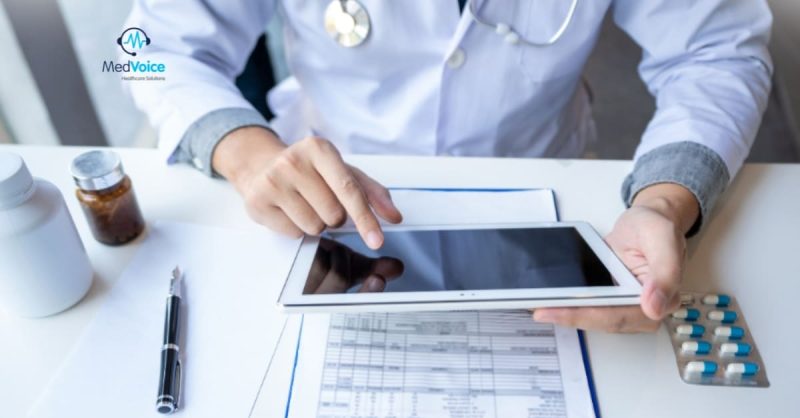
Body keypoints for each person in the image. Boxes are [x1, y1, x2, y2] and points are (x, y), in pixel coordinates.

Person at [124, 0, 773, 333]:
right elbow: (139, 53)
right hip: (319, 207)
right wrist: (241, 149)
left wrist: (666, 199)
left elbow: (717, 50)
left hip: (546, 189)